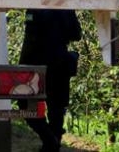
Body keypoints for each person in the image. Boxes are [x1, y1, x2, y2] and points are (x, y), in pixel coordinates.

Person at [20, 9, 82, 152]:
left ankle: (50, 141)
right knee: (56, 110)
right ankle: (52, 143)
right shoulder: (67, 10)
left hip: (36, 65)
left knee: (26, 107)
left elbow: (30, 38)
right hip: (59, 64)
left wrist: (22, 66)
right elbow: (76, 34)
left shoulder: (35, 8)